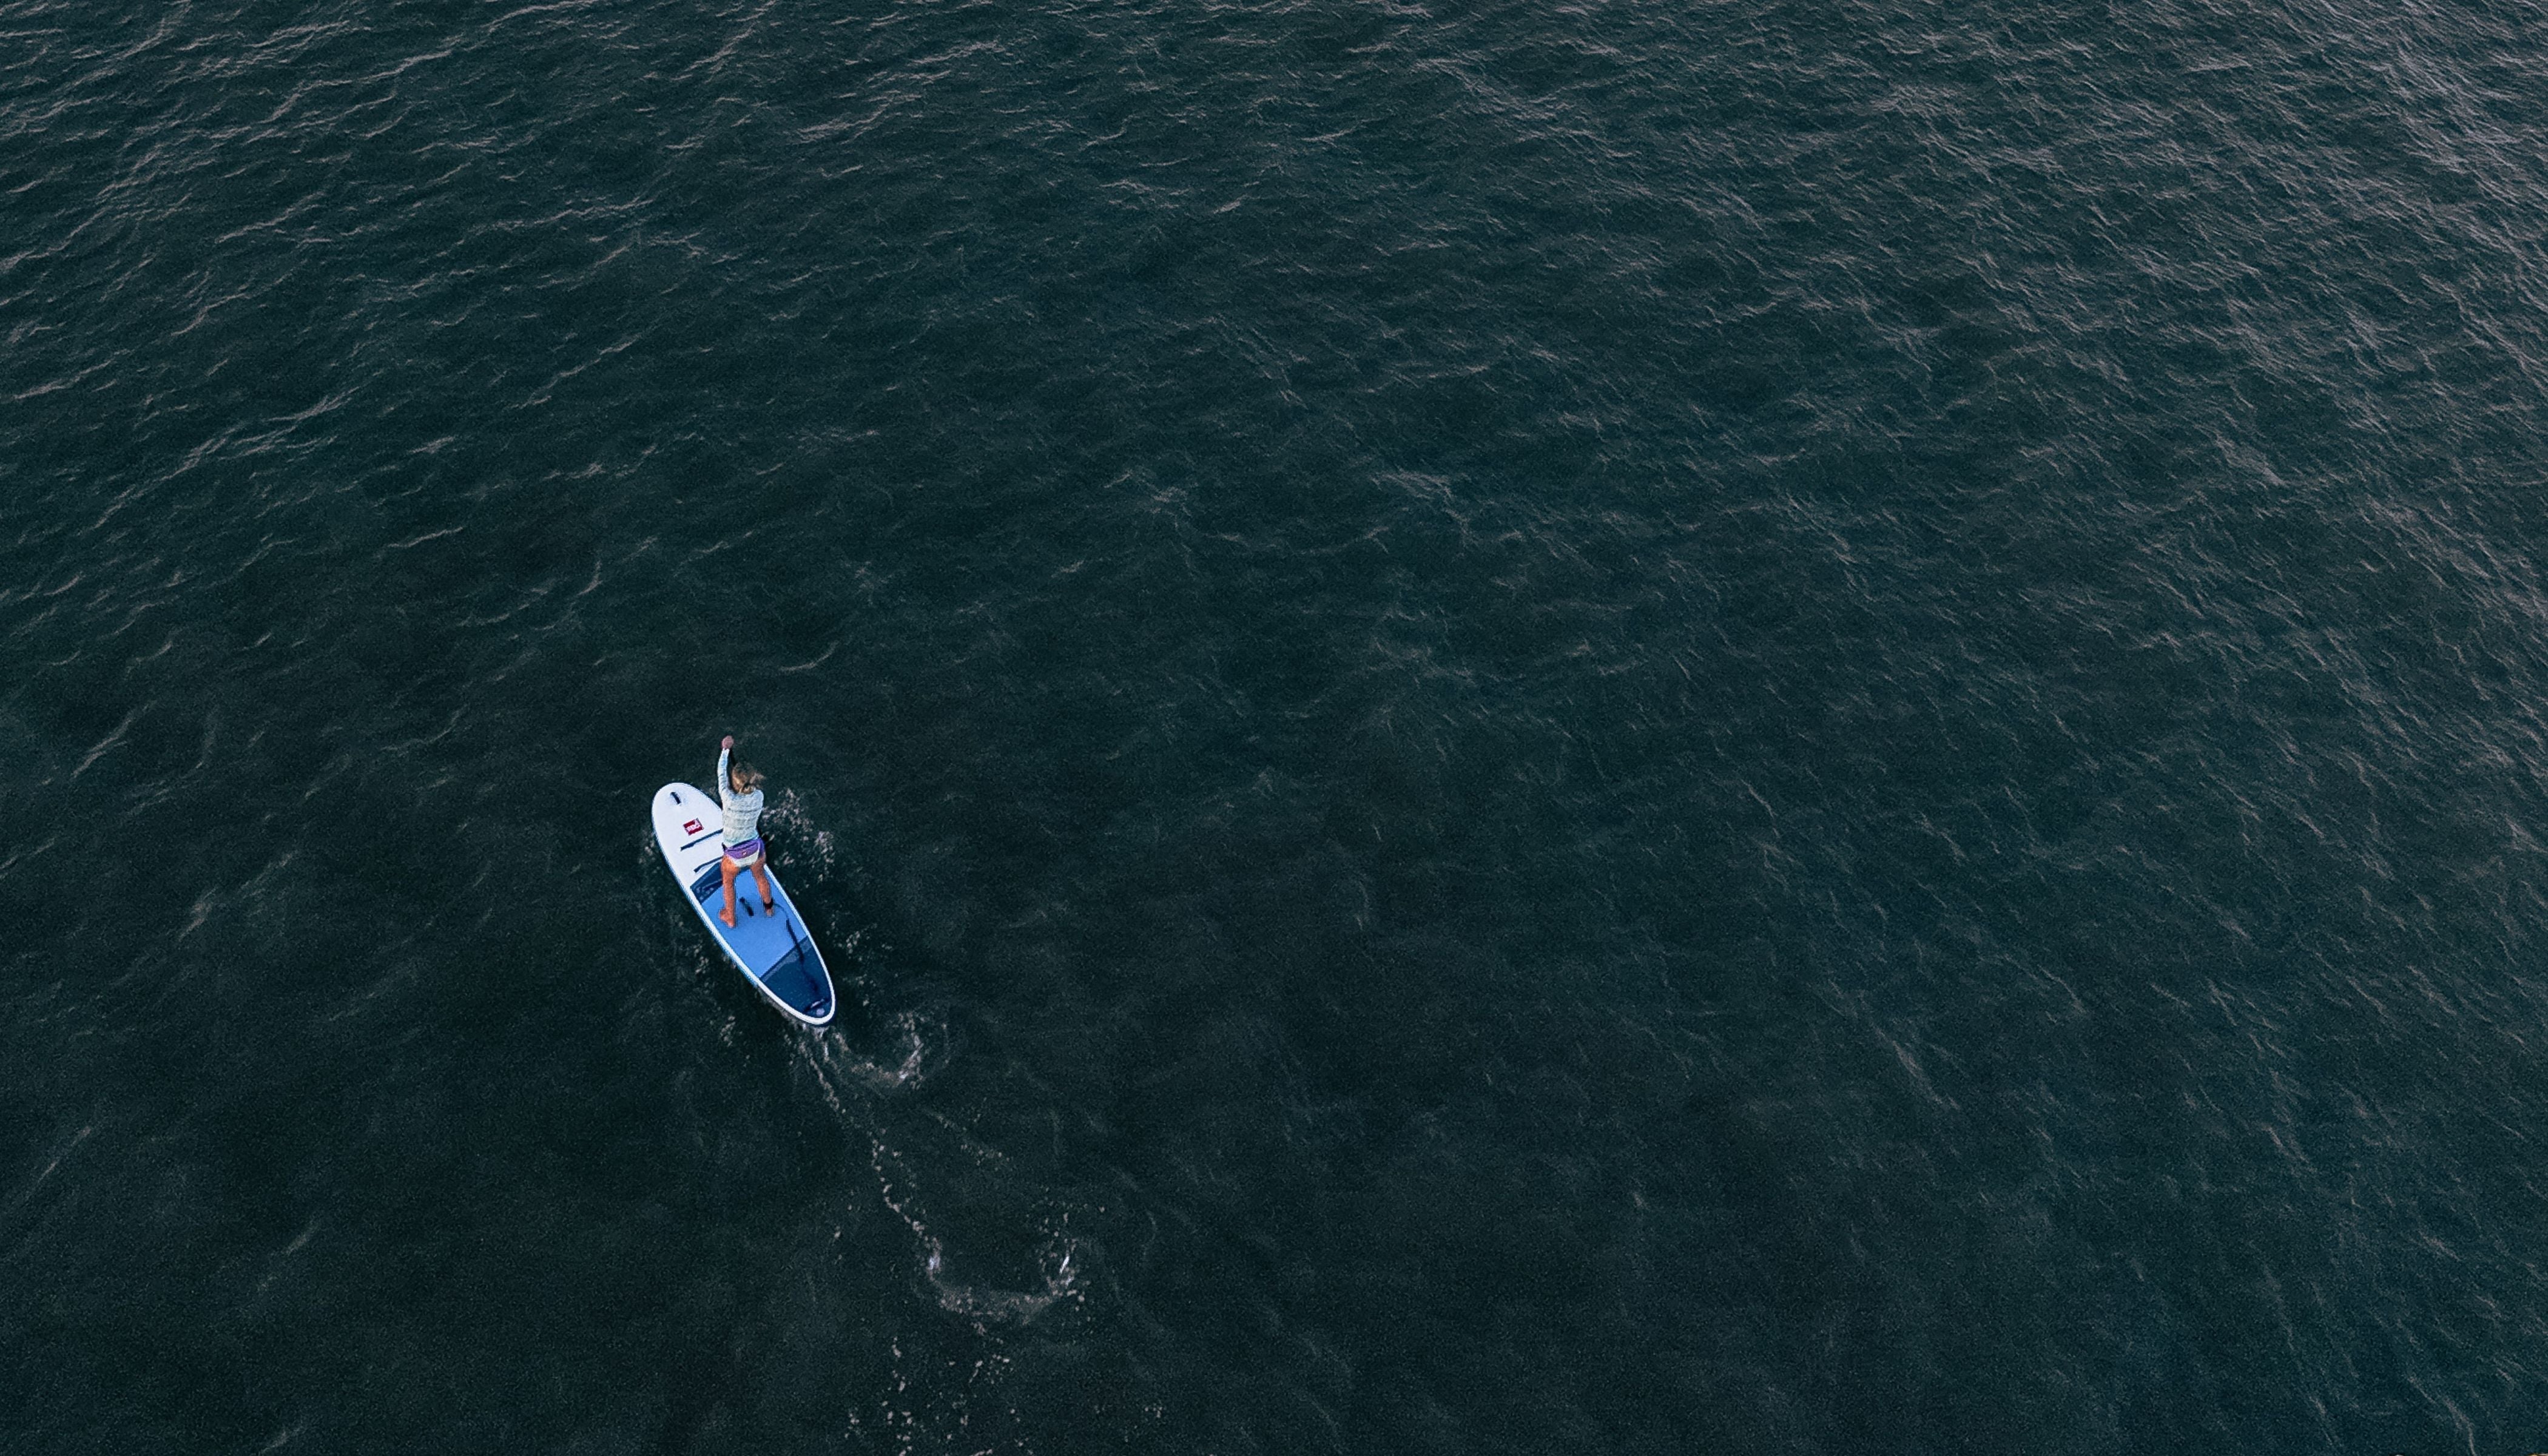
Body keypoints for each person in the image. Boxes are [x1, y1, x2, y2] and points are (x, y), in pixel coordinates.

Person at [714, 733, 774, 928]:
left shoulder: (728, 799)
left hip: (734, 855)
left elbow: (721, 775)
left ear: (734, 782)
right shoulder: (759, 797)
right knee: (760, 877)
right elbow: (748, 788)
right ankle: (769, 908)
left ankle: (730, 918)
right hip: (756, 849)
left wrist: (725, 751)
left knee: (729, 883)